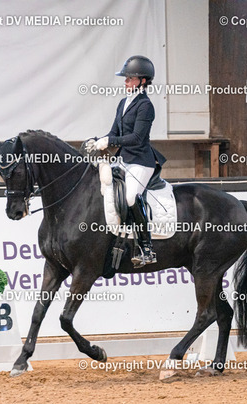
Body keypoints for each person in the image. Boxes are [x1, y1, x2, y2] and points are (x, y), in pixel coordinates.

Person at [87, 55, 166, 267]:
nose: (126, 82)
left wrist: (110, 141)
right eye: (126, 78)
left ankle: (146, 248)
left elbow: (137, 138)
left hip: (141, 161)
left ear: (142, 81)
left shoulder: (145, 106)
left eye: (130, 78)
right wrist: (98, 141)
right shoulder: (123, 103)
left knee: (131, 197)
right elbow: (114, 132)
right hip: (123, 160)